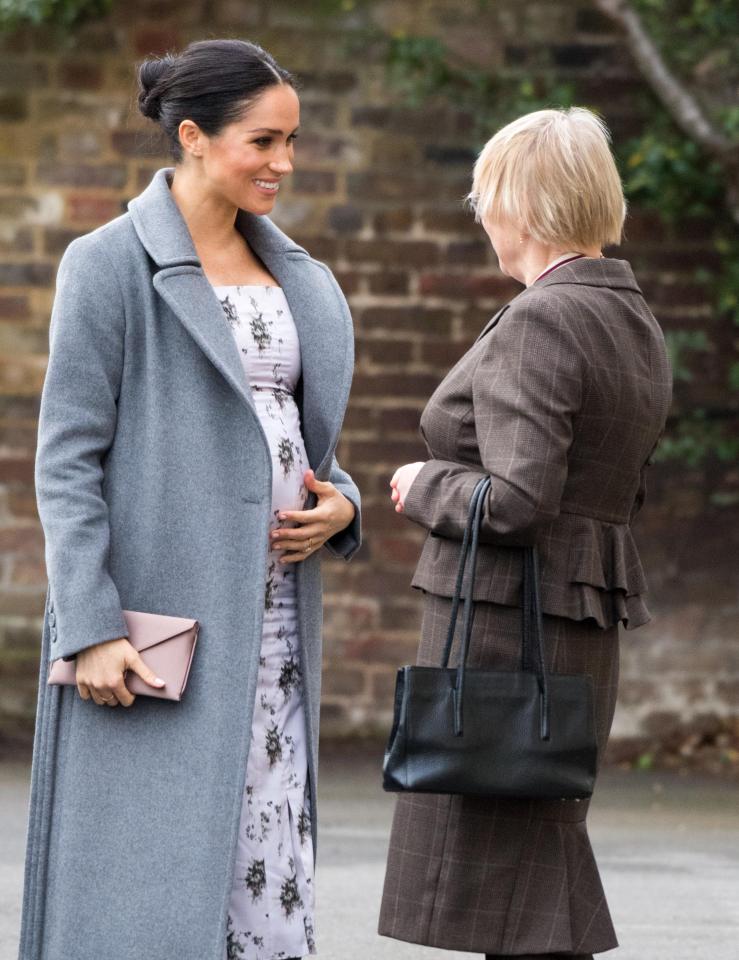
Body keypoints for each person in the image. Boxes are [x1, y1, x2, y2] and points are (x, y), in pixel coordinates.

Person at [18, 38, 360, 960]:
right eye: (263, 141)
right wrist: (88, 625)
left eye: (292, 141)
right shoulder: (108, 266)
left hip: (278, 623)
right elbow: (66, 461)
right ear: (195, 135)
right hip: (157, 629)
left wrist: (344, 508)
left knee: (268, 870)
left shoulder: (299, 277)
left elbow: (300, 438)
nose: (284, 163)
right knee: (144, 894)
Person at [379, 106, 672, 959]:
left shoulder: (544, 317)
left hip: (511, 626)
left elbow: (516, 500)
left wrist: (422, 482)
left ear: (528, 208)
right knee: (531, 869)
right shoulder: (631, 317)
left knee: (517, 875)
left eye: (486, 202)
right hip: (571, 622)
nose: (484, 222)